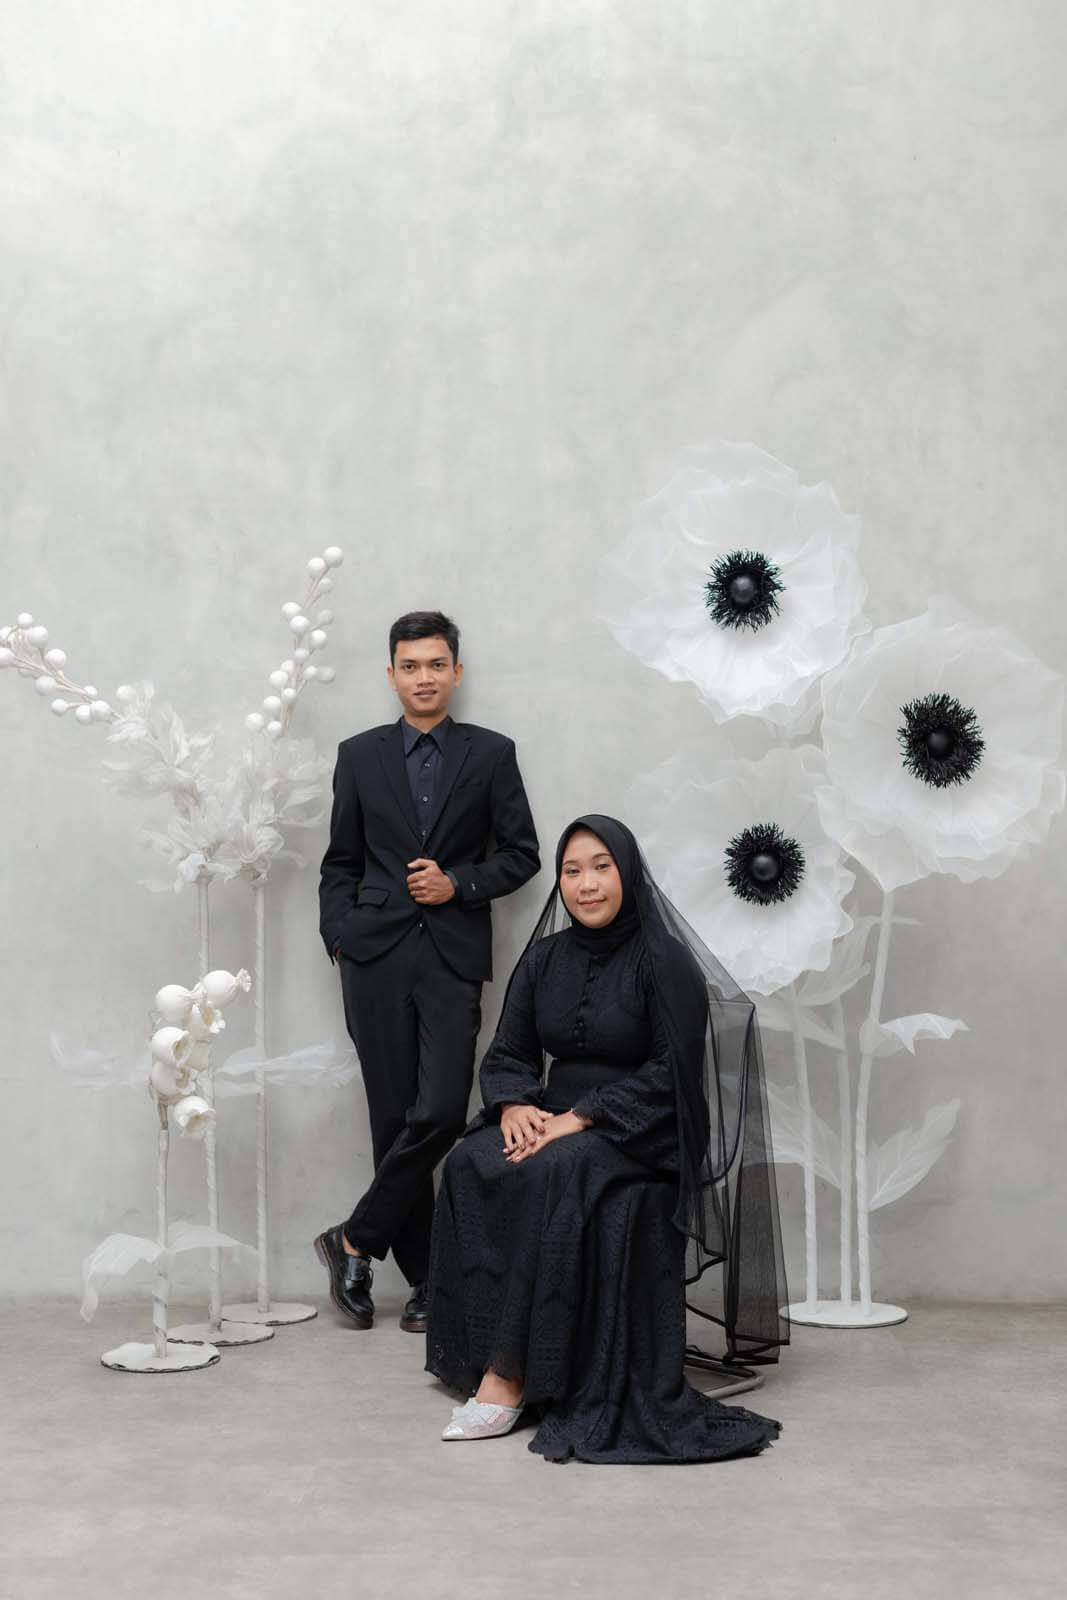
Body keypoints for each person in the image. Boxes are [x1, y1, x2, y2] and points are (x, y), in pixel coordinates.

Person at [425, 814, 790, 1463]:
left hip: (647, 1126)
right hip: (554, 1115)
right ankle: (486, 1351)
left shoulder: (663, 960)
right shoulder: (544, 958)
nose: (586, 884)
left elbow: (671, 1071)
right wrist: (514, 1105)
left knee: (558, 1168)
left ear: (627, 873)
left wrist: (583, 1115)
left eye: (601, 867)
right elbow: (509, 1050)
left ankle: (508, 1377)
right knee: (470, 1161)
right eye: (572, 871)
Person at [315, 610, 540, 1333]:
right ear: (392, 675)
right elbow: (340, 863)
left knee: (440, 1111)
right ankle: (428, 1283)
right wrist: (340, 937)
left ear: (456, 672)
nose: (423, 677)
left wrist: (458, 884)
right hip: (373, 957)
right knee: (392, 1120)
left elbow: (523, 854)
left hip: (450, 953)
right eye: (410, 666)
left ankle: (354, 1240)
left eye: (436, 664)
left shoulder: (492, 754)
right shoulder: (358, 755)